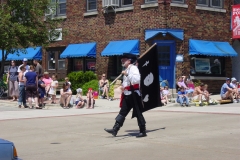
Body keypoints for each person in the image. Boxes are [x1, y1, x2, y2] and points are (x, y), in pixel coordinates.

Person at [104, 53, 147, 138]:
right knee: (122, 112)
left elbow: (137, 80)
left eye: (124, 59)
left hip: (134, 95)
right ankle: (115, 129)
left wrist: (127, 74)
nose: (122, 60)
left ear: (129, 60)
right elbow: (127, 83)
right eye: (122, 59)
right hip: (127, 94)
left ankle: (143, 130)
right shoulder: (127, 69)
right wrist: (123, 87)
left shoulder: (133, 68)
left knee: (138, 113)